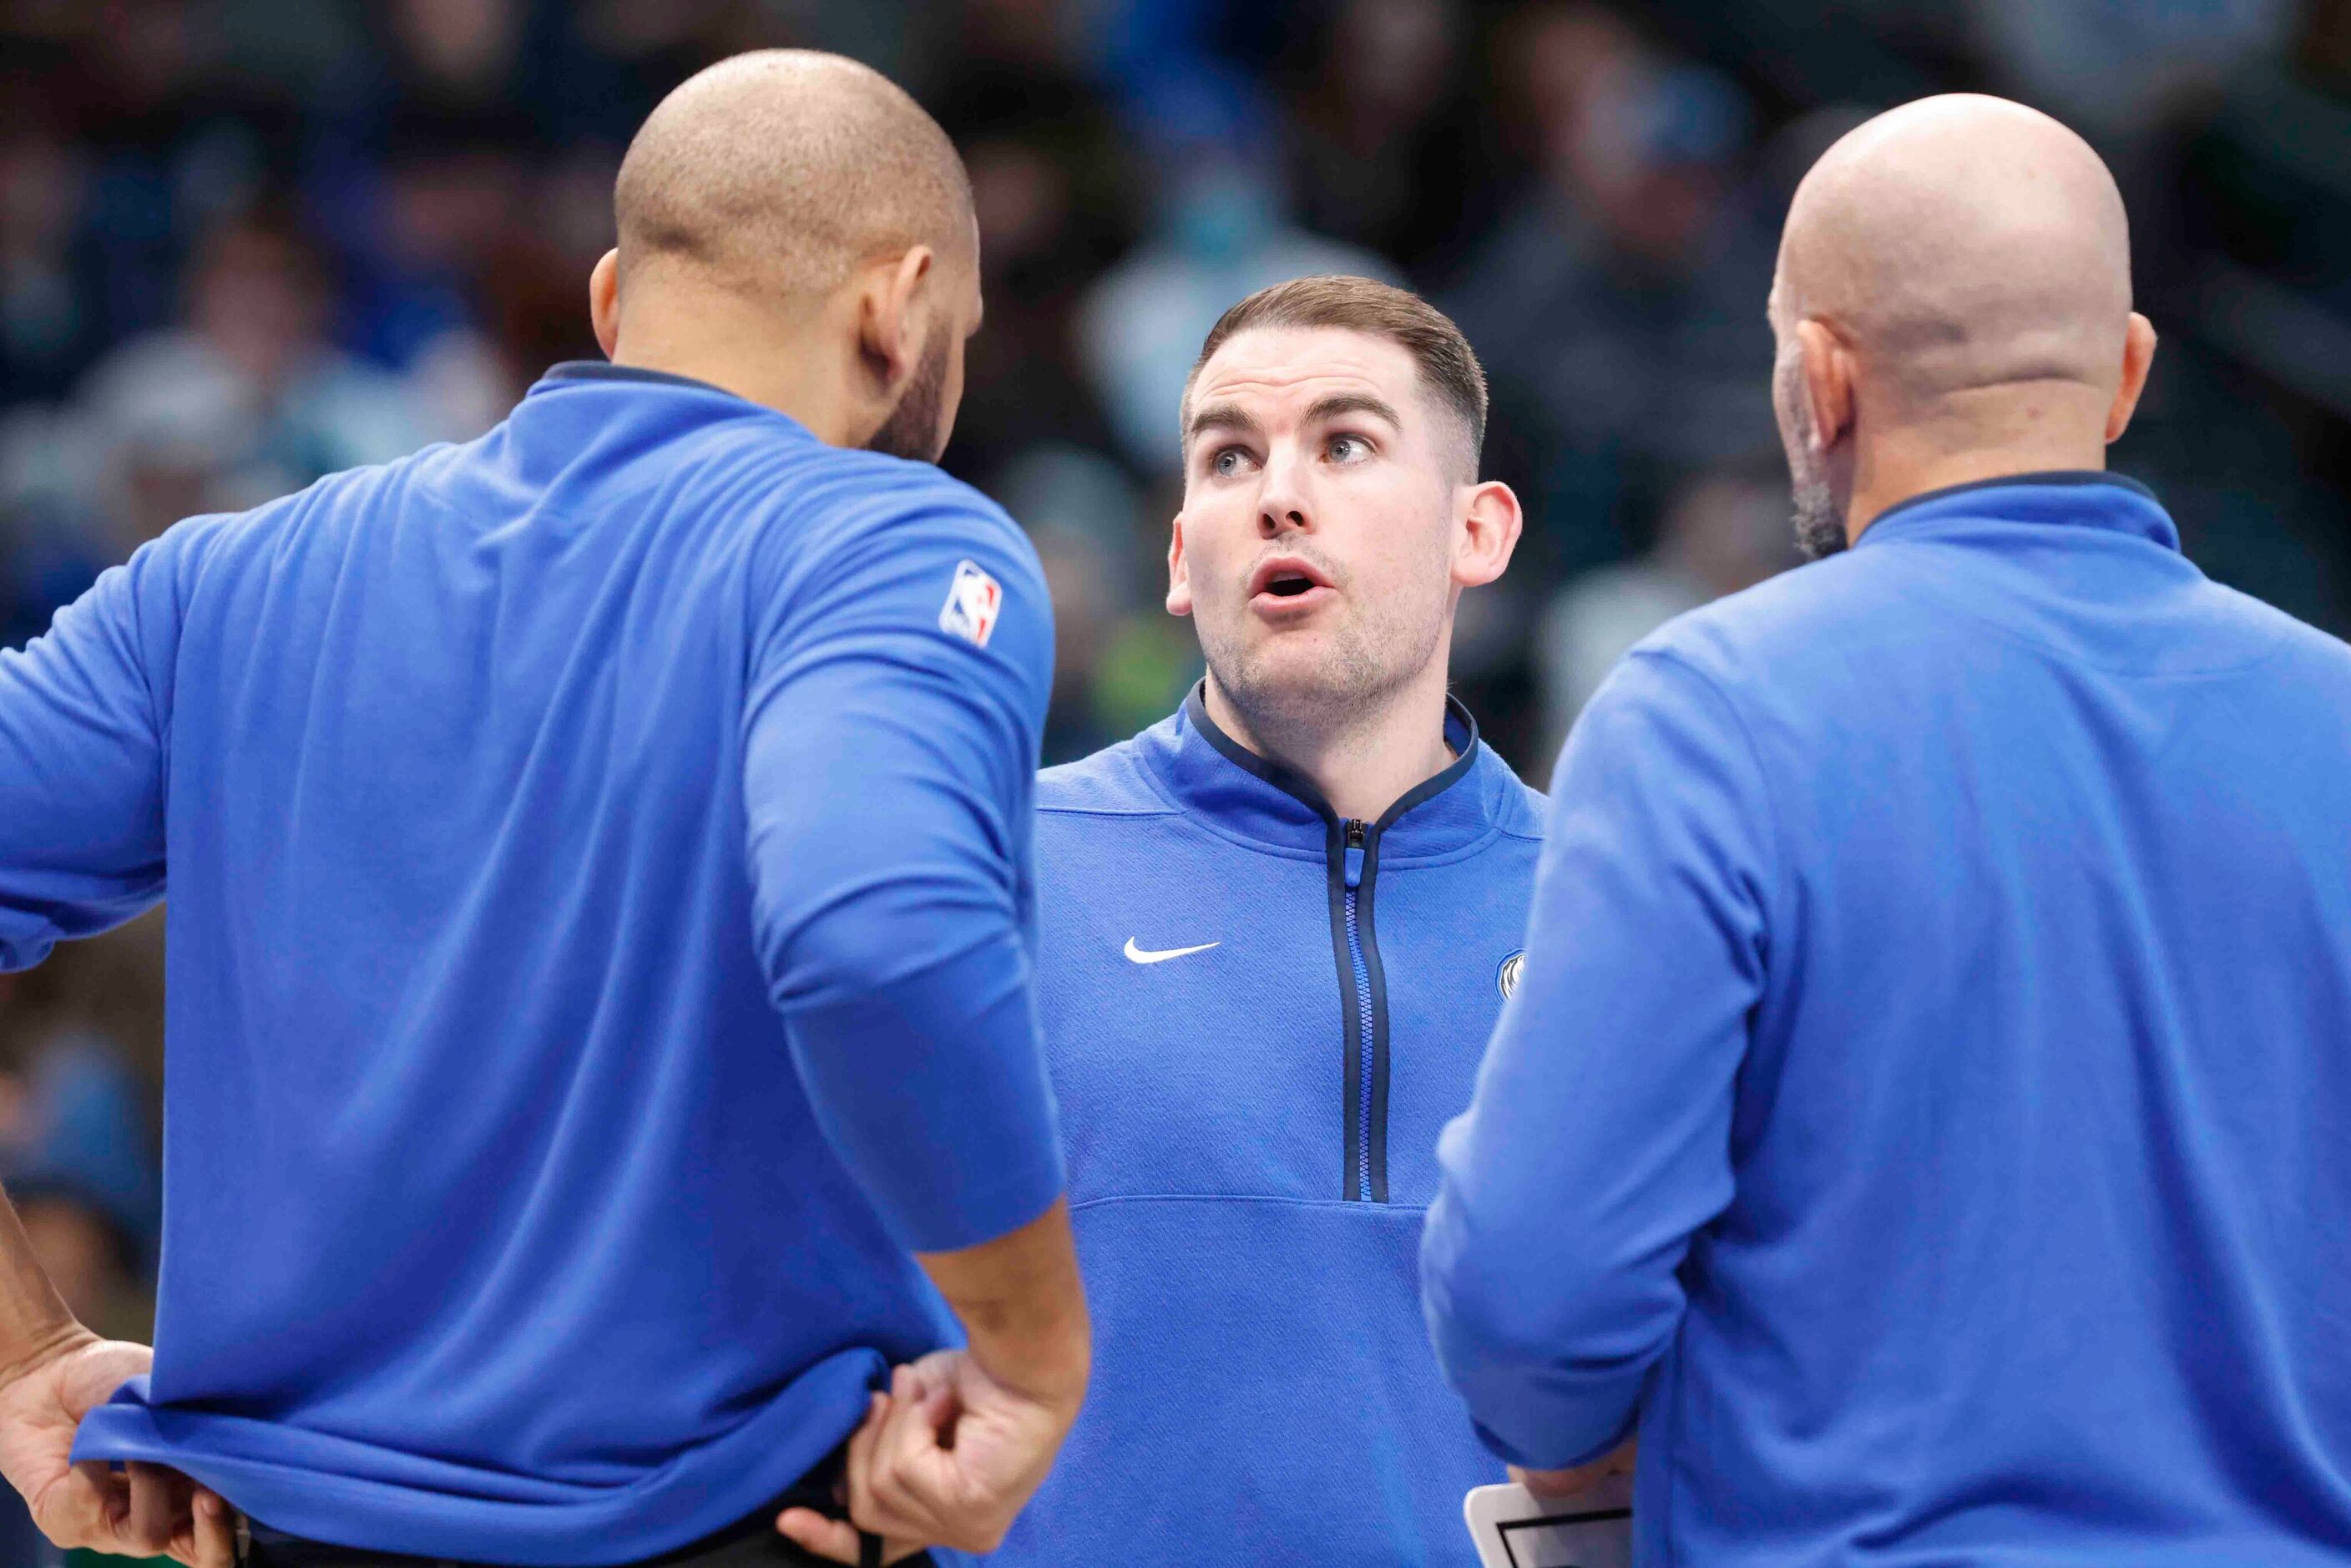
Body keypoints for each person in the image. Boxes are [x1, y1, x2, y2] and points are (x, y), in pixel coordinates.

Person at [0, 51, 1090, 1568]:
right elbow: (882, 932)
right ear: (898, 309)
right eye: (957, 340)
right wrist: (1032, 1357)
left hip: (280, 1535)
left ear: (610, 304)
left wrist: (20, 1353)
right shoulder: (885, 544)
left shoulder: (222, 581)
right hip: (719, 1528)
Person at [1422, 93, 2351, 1563]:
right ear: (2123, 376)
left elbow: (1535, 1299)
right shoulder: (2339, 720)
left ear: (1817, 381)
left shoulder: (1706, 714)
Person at [984, 276, 1544, 1565]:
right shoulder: (990, 868)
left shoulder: (1627, 906)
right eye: (1229, 456)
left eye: (1346, 444)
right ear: (1182, 556)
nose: (1277, 493)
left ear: (1481, 531)